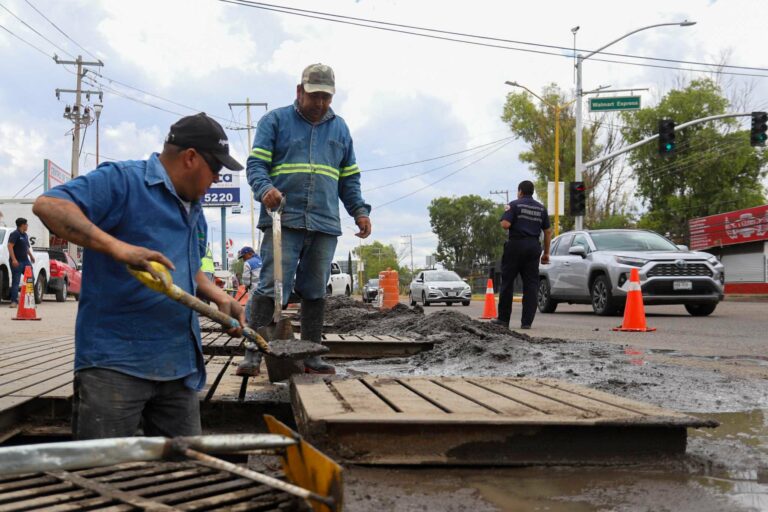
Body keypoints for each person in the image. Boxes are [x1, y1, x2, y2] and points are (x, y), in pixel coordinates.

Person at [33, 113, 246, 439]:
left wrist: (219, 297)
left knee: (186, 466)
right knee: (104, 466)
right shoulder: (124, 182)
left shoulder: (194, 207)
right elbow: (49, 205)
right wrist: (117, 247)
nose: (217, 178)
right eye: (215, 168)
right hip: (116, 366)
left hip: (179, 368)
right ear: (190, 157)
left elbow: (186, 270)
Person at [247, 63, 371, 374]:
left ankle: (312, 356)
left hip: (324, 222)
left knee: (315, 289)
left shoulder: (340, 129)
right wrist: (265, 189)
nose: (320, 103)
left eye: (326, 97)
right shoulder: (275, 121)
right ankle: (252, 353)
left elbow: (349, 178)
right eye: (314, 96)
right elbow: (256, 166)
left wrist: (359, 210)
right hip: (283, 219)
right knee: (272, 285)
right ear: (299, 91)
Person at [494, 180, 552, 330]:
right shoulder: (541, 208)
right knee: (531, 285)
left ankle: (503, 320)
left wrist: (505, 218)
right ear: (532, 192)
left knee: (507, 283)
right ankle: (527, 322)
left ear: (520, 191)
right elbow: (547, 231)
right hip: (533, 247)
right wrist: (546, 253)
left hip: (516, 245)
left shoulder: (513, 205)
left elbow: (505, 224)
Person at [7, 217, 36, 308]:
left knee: (31, 279)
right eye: (26, 224)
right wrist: (14, 259)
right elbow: (10, 246)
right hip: (17, 261)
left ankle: (29, 301)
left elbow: (26, 247)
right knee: (16, 281)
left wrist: (31, 256)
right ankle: (14, 301)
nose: (27, 226)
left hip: (25, 261)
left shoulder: (25, 235)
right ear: (22, 225)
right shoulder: (15, 234)